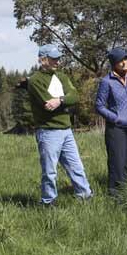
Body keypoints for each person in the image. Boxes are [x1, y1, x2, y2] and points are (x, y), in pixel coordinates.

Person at [27, 44, 93, 206]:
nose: (57, 61)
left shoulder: (61, 76)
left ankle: (85, 196)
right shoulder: (35, 81)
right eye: (53, 58)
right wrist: (63, 100)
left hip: (66, 130)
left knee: (76, 166)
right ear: (43, 60)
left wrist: (60, 100)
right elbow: (47, 104)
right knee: (50, 171)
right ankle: (48, 202)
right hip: (48, 131)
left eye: (58, 58)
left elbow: (74, 96)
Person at [95, 47, 127, 197]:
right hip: (116, 128)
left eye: (125, 59)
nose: (124, 63)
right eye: (120, 60)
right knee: (117, 162)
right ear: (113, 63)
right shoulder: (106, 82)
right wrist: (115, 118)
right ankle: (116, 196)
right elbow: (99, 106)